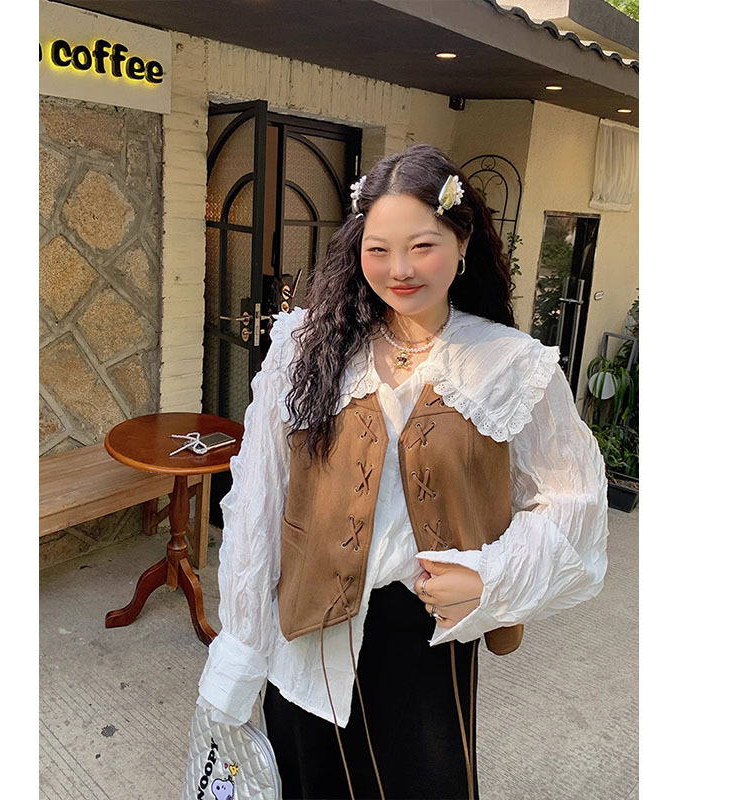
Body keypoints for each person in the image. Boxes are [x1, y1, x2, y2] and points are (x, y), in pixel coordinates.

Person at [195, 143, 610, 800]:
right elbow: (258, 499)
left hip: (422, 639)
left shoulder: (509, 364)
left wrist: (490, 575)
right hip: (303, 633)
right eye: (379, 248)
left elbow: (573, 501)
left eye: (422, 246)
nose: (399, 269)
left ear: (461, 241)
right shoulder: (306, 347)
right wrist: (241, 647)